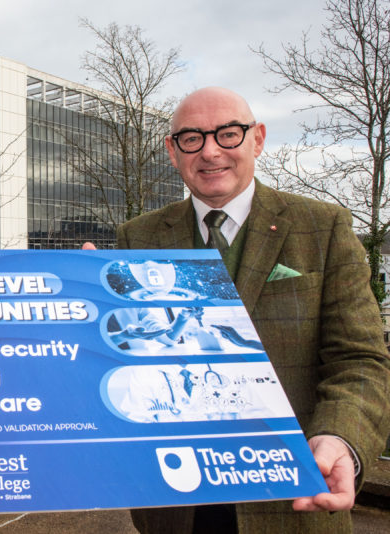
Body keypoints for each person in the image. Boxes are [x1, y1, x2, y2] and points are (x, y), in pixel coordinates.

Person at [112, 86, 390, 533]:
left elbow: (359, 359)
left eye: (228, 134)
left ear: (257, 139)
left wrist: (339, 436)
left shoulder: (324, 228)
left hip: (292, 498)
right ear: (172, 150)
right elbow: (125, 355)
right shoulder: (137, 237)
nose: (210, 151)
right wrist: (81, 305)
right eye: (191, 138)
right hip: (177, 503)